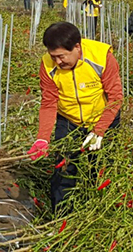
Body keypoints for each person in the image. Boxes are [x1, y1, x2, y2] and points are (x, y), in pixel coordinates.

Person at [27, 22, 123, 215]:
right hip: (68, 120)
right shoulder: (47, 65)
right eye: (53, 57)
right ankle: (62, 218)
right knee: (64, 169)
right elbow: (48, 102)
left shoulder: (101, 57)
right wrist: (42, 137)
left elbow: (115, 98)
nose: (57, 62)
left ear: (77, 47)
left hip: (102, 117)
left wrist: (99, 130)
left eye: (61, 56)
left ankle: (100, 215)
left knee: (100, 168)